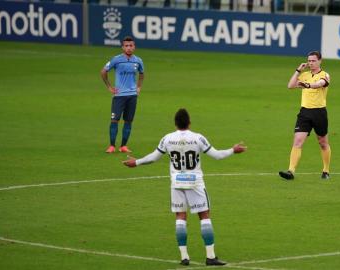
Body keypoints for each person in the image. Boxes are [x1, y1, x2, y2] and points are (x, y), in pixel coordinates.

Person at [123, 108, 247, 266]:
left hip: (177, 182)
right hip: (195, 182)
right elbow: (217, 155)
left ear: (175, 123)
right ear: (189, 122)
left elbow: (154, 157)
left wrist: (136, 162)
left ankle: (184, 257)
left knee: (180, 217)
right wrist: (233, 150)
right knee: (204, 216)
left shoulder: (167, 139)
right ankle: (210, 256)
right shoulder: (198, 138)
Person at [279, 51, 331, 180]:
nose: (310, 63)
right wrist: (298, 71)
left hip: (319, 113)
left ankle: (326, 170)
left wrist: (307, 85)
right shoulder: (305, 75)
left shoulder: (325, 75)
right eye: (309, 61)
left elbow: (319, 84)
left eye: (313, 61)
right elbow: (290, 86)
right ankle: (291, 171)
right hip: (305, 113)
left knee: (323, 143)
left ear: (320, 61)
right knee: (297, 142)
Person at [101, 36, 144, 153]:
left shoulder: (138, 60)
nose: (129, 48)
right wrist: (109, 87)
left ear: (134, 47)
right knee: (114, 120)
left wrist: (139, 87)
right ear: (122, 47)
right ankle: (111, 146)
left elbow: (141, 73)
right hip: (119, 96)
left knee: (128, 121)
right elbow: (103, 71)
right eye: (126, 46)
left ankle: (123, 146)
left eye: (131, 46)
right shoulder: (116, 59)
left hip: (132, 96)